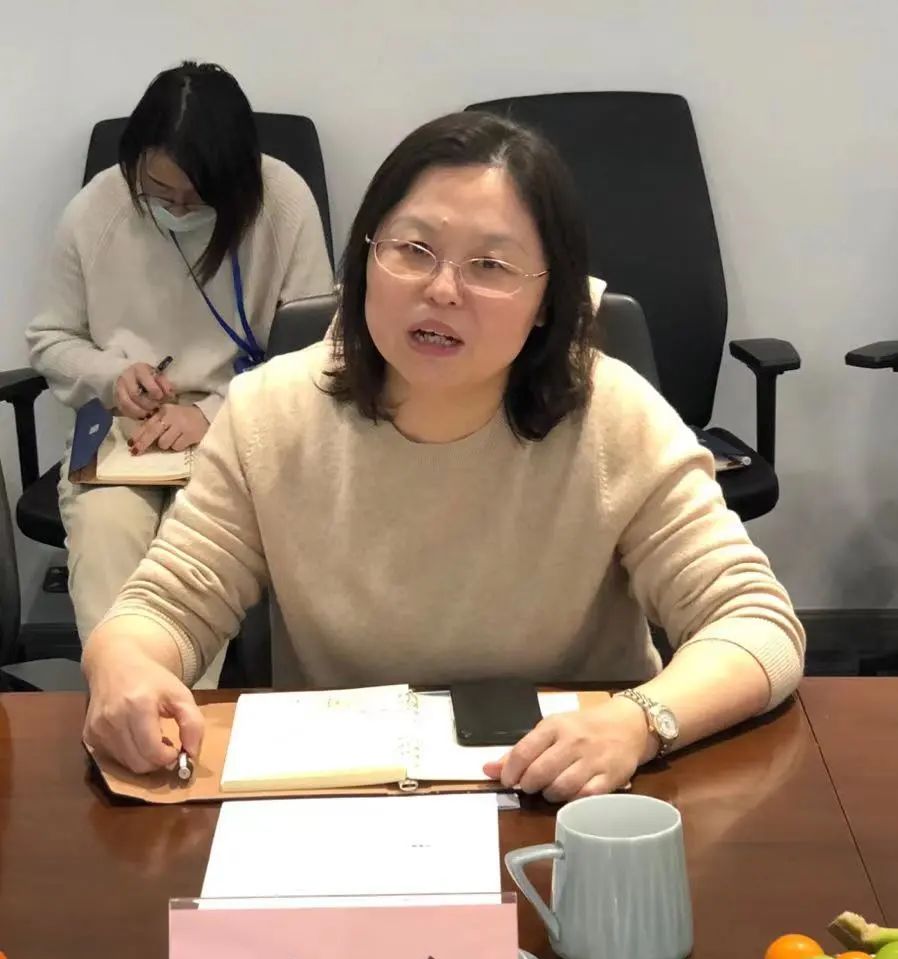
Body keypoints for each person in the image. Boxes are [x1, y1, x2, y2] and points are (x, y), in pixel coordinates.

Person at [81, 111, 805, 799]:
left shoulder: (614, 416)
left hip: (573, 793)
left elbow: (756, 623)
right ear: (366, 260)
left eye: (491, 265)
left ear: (549, 300)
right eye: (413, 250)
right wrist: (122, 664)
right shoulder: (269, 413)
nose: (442, 290)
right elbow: (166, 606)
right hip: (345, 795)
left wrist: (639, 722)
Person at [27, 61, 332, 684]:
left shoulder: (283, 203)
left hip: (243, 424)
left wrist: (213, 412)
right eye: (159, 191)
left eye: (196, 197)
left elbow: (313, 353)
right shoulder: (97, 209)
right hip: (124, 433)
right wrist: (111, 376)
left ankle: (177, 719)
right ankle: (124, 703)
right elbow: (51, 339)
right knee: (105, 535)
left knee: (196, 554)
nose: (176, 208)